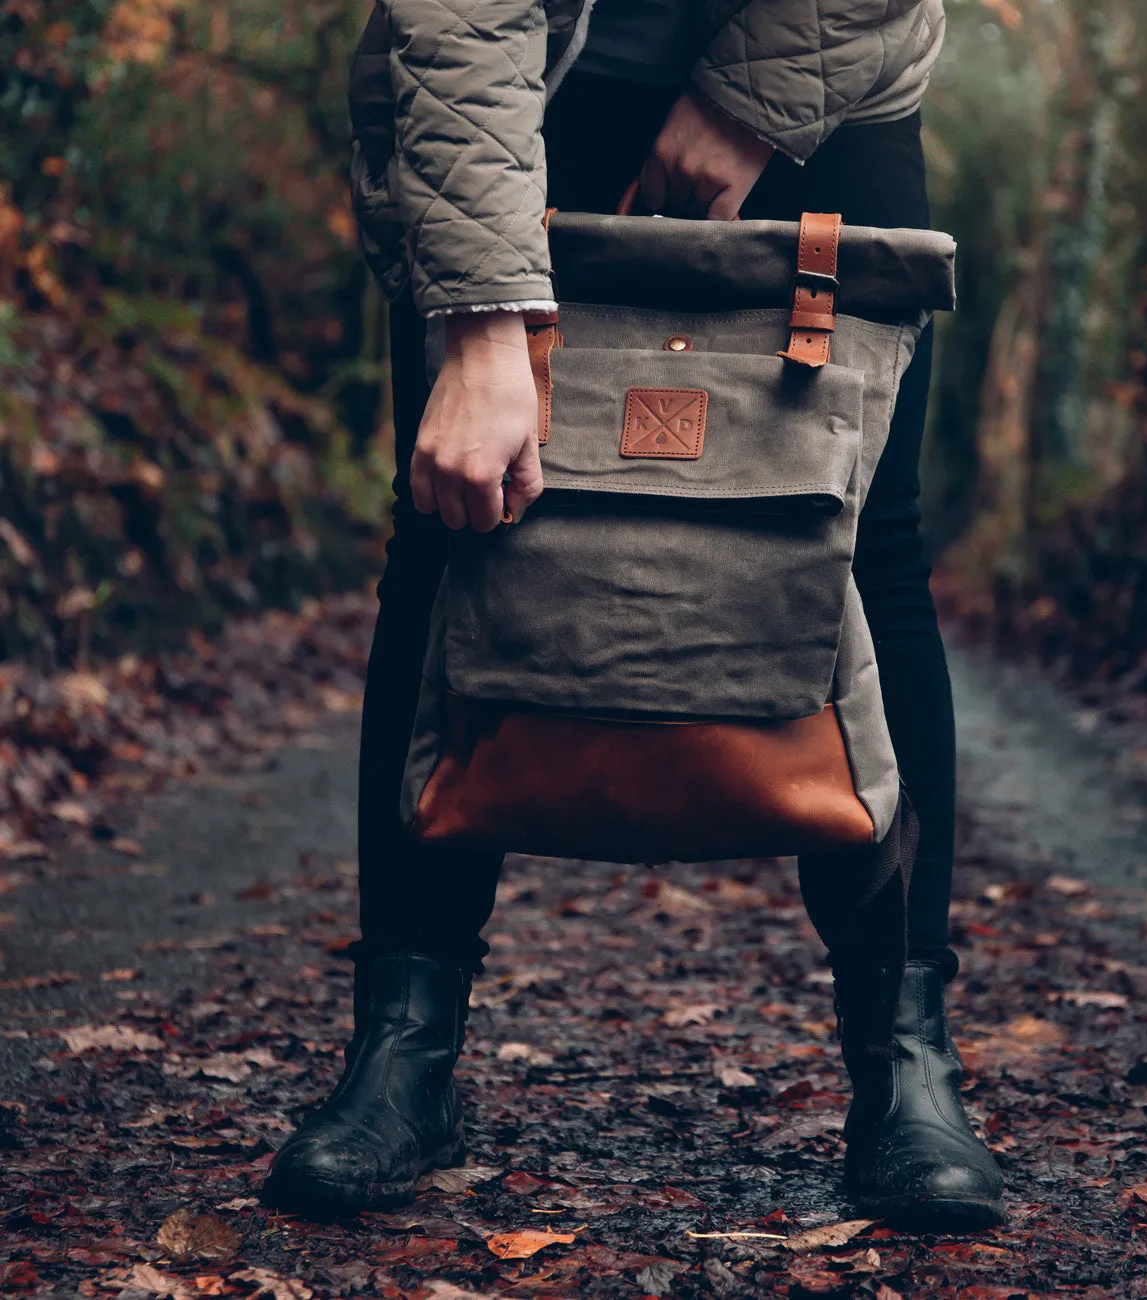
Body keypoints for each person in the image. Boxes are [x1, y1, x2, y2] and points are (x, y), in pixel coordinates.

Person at [262, 0, 1004, 1232]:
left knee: (873, 545)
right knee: (453, 514)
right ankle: (402, 1050)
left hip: (830, 75)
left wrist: (748, 101)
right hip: (517, 96)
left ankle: (903, 1065)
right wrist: (485, 319)